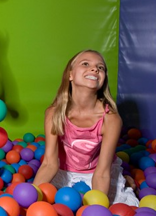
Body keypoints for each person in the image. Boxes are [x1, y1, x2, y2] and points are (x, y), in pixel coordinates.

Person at [32, 49, 139, 206]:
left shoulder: (110, 119)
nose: (94, 69)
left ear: (103, 79)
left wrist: (97, 207)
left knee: (115, 204)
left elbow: (102, 172)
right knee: (52, 204)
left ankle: (124, 180)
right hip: (63, 172)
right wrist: (32, 197)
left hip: (96, 174)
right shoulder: (54, 113)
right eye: (86, 64)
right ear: (70, 75)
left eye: (100, 67)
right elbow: (49, 163)